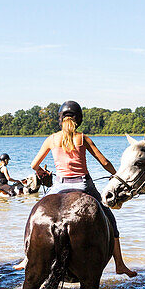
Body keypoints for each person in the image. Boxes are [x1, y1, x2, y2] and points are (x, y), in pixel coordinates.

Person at [28, 100, 137, 277]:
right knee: (109, 218)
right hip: (83, 185)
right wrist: (117, 175)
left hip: (59, 185)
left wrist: (43, 172)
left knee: (35, 215)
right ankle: (119, 264)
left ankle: (27, 258)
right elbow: (104, 162)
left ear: (60, 119)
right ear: (78, 119)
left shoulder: (52, 139)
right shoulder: (83, 138)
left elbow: (34, 164)